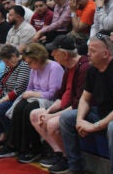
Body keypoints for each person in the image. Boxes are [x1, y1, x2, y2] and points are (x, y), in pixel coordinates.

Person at [54, 34, 113, 174]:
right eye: (88, 50)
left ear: (105, 53)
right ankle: (75, 167)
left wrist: (94, 126)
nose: (88, 54)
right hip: (101, 112)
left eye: (92, 51)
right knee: (67, 118)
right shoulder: (92, 70)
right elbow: (85, 99)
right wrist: (80, 120)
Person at [0, 43, 64, 161]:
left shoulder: (54, 68)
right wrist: (29, 94)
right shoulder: (34, 69)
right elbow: (29, 87)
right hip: (35, 96)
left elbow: (53, 94)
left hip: (50, 100)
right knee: (18, 107)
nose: (29, 65)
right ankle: (15, 144)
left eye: (30, 62)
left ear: (38, 59)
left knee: (28, 110)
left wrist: (32, 94)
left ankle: (34, 148)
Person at [30, 34, 91, 169]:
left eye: (54, 52)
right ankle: (59, 153)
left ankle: (69, 159)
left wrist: (51, 116)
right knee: (35, 114)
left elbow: (78, 103)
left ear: (64, 54)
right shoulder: (68, 67)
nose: (51, 54)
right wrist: (48, 111)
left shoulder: (84, 68)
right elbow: (61, 95)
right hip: (67, 106)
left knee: (52, 123)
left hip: (80, 109)